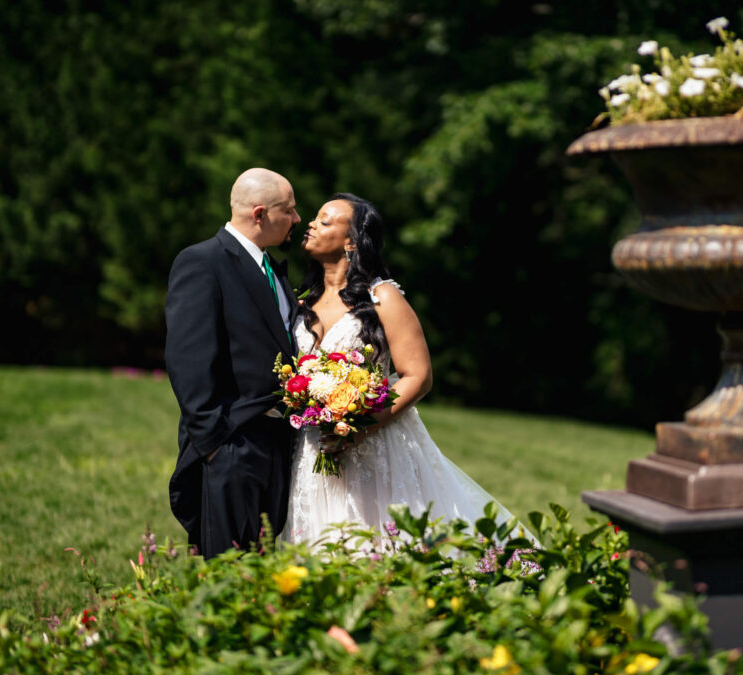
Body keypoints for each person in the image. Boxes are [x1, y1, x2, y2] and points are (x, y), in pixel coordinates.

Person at [284, 193, 515, 545]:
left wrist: (359, 428)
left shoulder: (383, 297)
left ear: (351, 242)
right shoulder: (301, 302)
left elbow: (418, 376)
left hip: (371, 446)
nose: (311, 224)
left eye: (325, 221)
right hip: (311, 447)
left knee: (373, 541)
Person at [165, 167, 301, 559]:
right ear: (260, 214)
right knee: (230, 570)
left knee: (262, 567)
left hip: (275, 444)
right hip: (231, 444)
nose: (296, 219)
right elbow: (188, 360)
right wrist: (215, 444)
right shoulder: (203, 262)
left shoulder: (272, 268)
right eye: (289, 210)